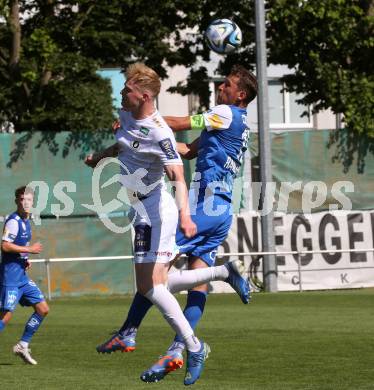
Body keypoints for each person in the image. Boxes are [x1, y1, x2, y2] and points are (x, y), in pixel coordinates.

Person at [85, 63, 249, 386]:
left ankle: (135, 334)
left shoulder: (225, 114)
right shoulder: (234, 126)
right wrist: (135, 134)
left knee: (154, 279)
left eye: (227, 85)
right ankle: (179, 344)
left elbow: (178, 126)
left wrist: (148, 123)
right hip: (221, 209)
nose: (220, 88)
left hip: (200, 204)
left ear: (240, 95)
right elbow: (186, 152)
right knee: (184, 283)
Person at [0, 186, 49, 365]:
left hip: (21, 277)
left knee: (43, 309)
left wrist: (25, 258)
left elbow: (16, 247)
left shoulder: (27, 221)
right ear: (16, 201)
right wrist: (29, 249)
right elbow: (5, 246)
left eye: (28, 199)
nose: (25, 202)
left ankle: (23, 345)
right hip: (10, 278)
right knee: (5, 316)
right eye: (21, 199)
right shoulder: (13, 221)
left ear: (32, 201)